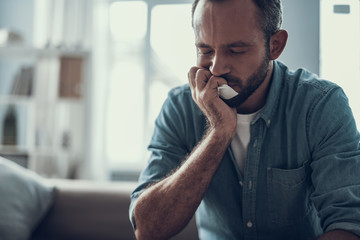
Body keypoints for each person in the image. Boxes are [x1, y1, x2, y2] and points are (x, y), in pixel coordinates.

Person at [129, 0, 360, 239]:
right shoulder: (179, 108)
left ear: (275, 45)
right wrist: (218, 133)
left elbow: (349, 226)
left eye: (236, 50)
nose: (217, 68)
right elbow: (147, 229)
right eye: (206, 51)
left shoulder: (320, 106)